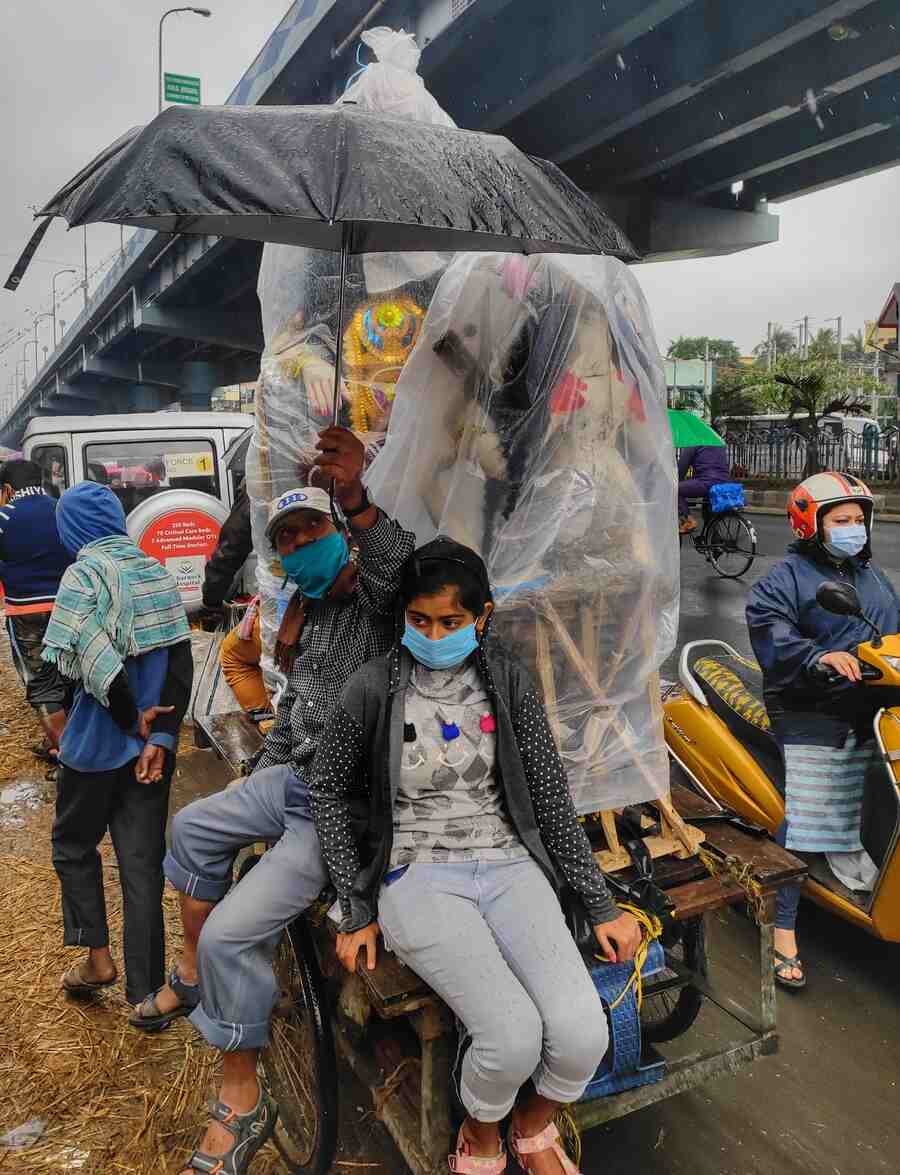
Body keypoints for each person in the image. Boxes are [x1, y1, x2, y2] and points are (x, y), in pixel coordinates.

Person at [129, 426, 415, 1175]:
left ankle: (243, 1097)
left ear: (337, 531)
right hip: (291, 781)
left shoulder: (383, 604)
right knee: (190, 828)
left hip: (336, 808)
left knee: (232, 934)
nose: (298, 543)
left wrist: (353, 496)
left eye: (310, 527)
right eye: (286, 536)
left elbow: (394, 566)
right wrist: (258, 771)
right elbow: (293, 714)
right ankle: (194, 972)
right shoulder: (308, 613)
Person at [310, 537, 642, 1175]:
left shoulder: (508, 680)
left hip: (511, 867)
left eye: (452, 622)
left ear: (482, 617)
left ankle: (533, 1129)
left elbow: (549, 799)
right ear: (403, 615)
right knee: (510, 1036)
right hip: (418, 876)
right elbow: (326, 788)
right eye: (420, 620)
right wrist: (353, 907)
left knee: (581, 1035)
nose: (434, 634)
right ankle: (480, 1135)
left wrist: (599, 903)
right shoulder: (374, 686)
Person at [746, 472, 900, 990]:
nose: (853, 529)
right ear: (811, 523)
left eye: (859, 520)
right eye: (842, 521)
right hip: (811, 705)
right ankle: (782, 927)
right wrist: (819, 657)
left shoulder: (871, 577)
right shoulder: (785, 579)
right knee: (811, 808)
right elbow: (771, 630)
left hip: (874, 705)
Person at [42, 481, 193, 1005]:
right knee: (141, 864)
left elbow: (89, 656)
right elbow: (180, 660)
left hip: (94, 749)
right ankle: (146, 989)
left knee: (73, 845)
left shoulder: (82, 577)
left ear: (72, 530)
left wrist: (130, 719)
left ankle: (98, 960)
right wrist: (163, 737)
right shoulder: (155, 572)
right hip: (151, 754)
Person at [0, 459, 73, 756]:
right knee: (72, 675)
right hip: (71, 607)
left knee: (42, 682)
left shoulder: (4, 517)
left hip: (26, 613)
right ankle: (73, 743)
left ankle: (68, 757)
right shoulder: (63, 508)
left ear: (7, 489)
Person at [677, 443, 731, 534]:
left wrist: (676, 481)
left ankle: (688, 520)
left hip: (707, 482)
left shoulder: (693, 443)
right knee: (708, 507)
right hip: (724, 483)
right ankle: (713, 535)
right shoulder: (718, 442)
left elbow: (681, 469)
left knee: (674, 489)